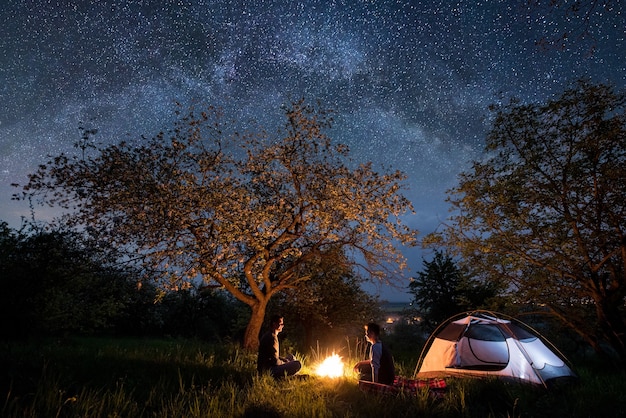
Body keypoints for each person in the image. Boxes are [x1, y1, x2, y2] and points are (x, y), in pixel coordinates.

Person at [257, 315, 302, 379]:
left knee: (291, 357)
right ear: (274, 324)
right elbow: (274, 361)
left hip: (268, 366)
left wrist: (285, 360)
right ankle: (289, 377)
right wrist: (284, 363)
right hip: (269, 370)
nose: (283, 325)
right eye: (281, 324)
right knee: (297, 364)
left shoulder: (270, 335)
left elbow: (274, 356)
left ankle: (291, 375)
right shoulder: (271, 338)